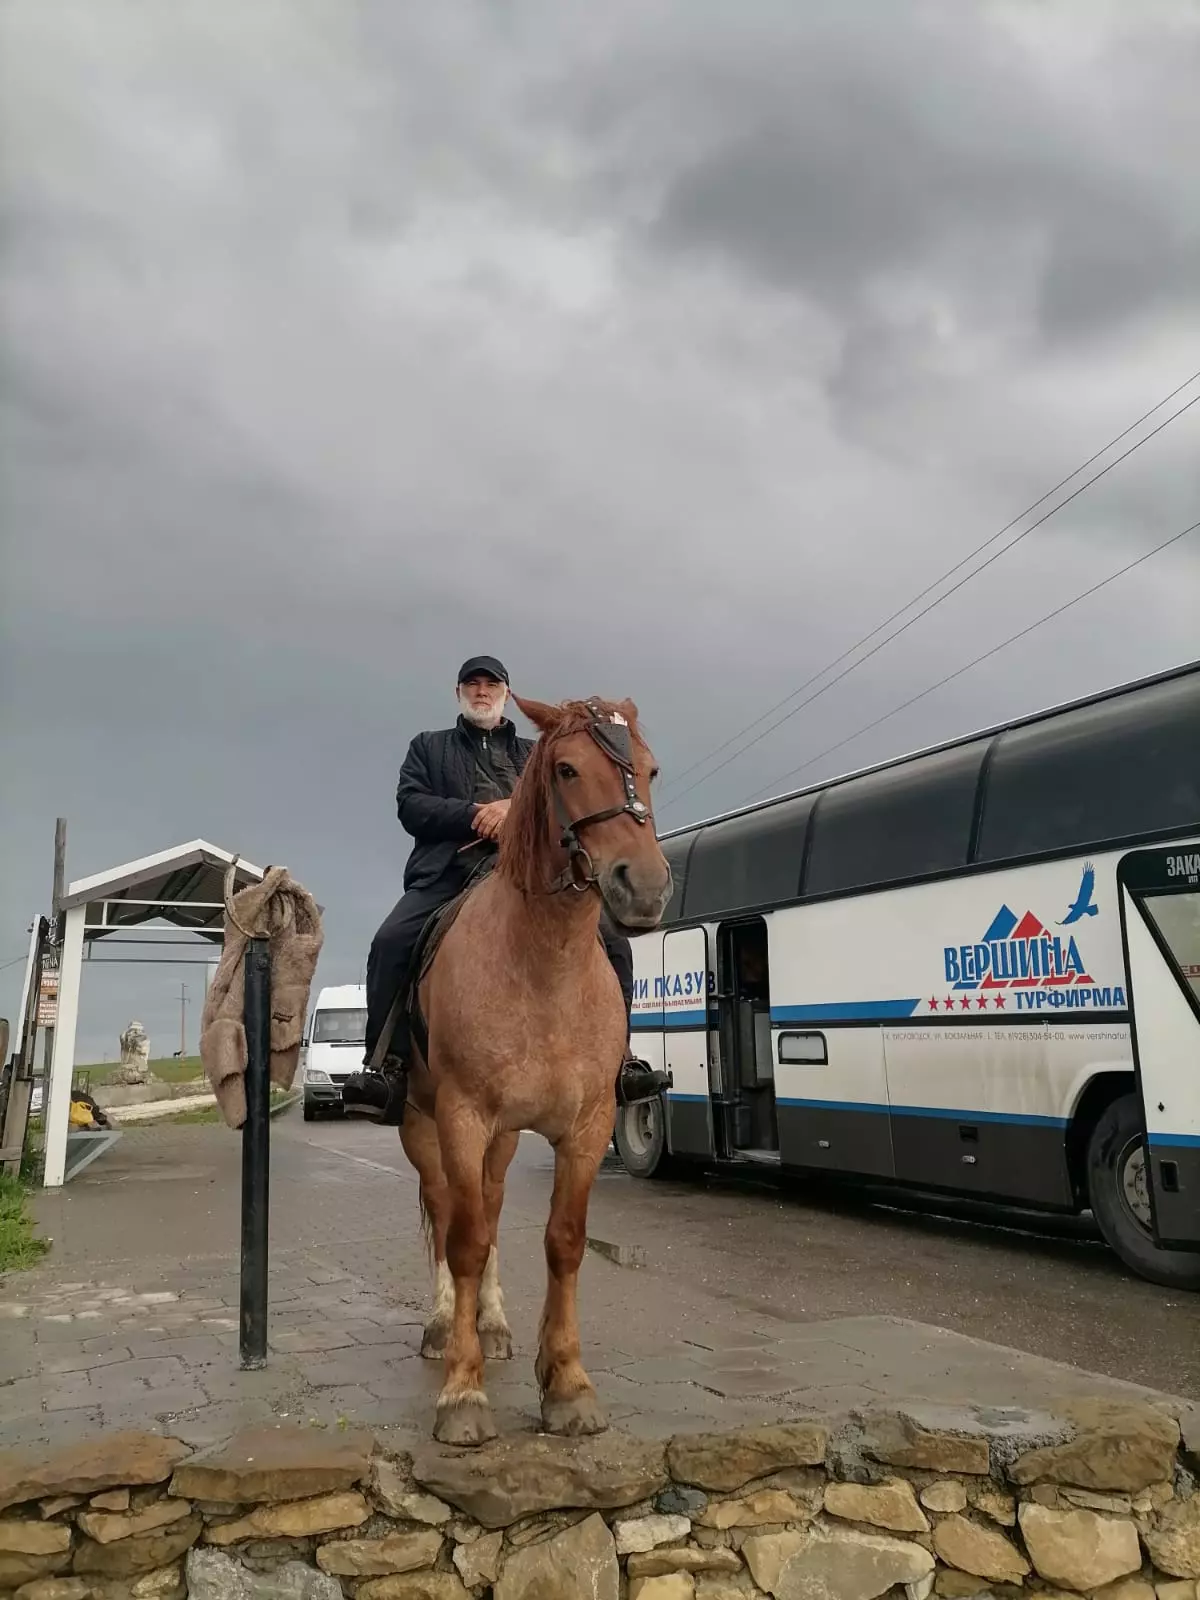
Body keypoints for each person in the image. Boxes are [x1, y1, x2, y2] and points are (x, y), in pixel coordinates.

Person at [342, 654, 667, 1123]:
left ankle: (621, 1060)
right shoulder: (428, 747)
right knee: (390, 941)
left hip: (526, 876)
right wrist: (474, 814)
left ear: (505, 694)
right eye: (472, 683)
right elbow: (411, 805)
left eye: (490, 684)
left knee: (614, 942)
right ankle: (386, 1066)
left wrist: (511, 808)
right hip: (448, 873)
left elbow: (560, 797)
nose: (481, 691)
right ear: (458, 692)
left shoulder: (536, 752)